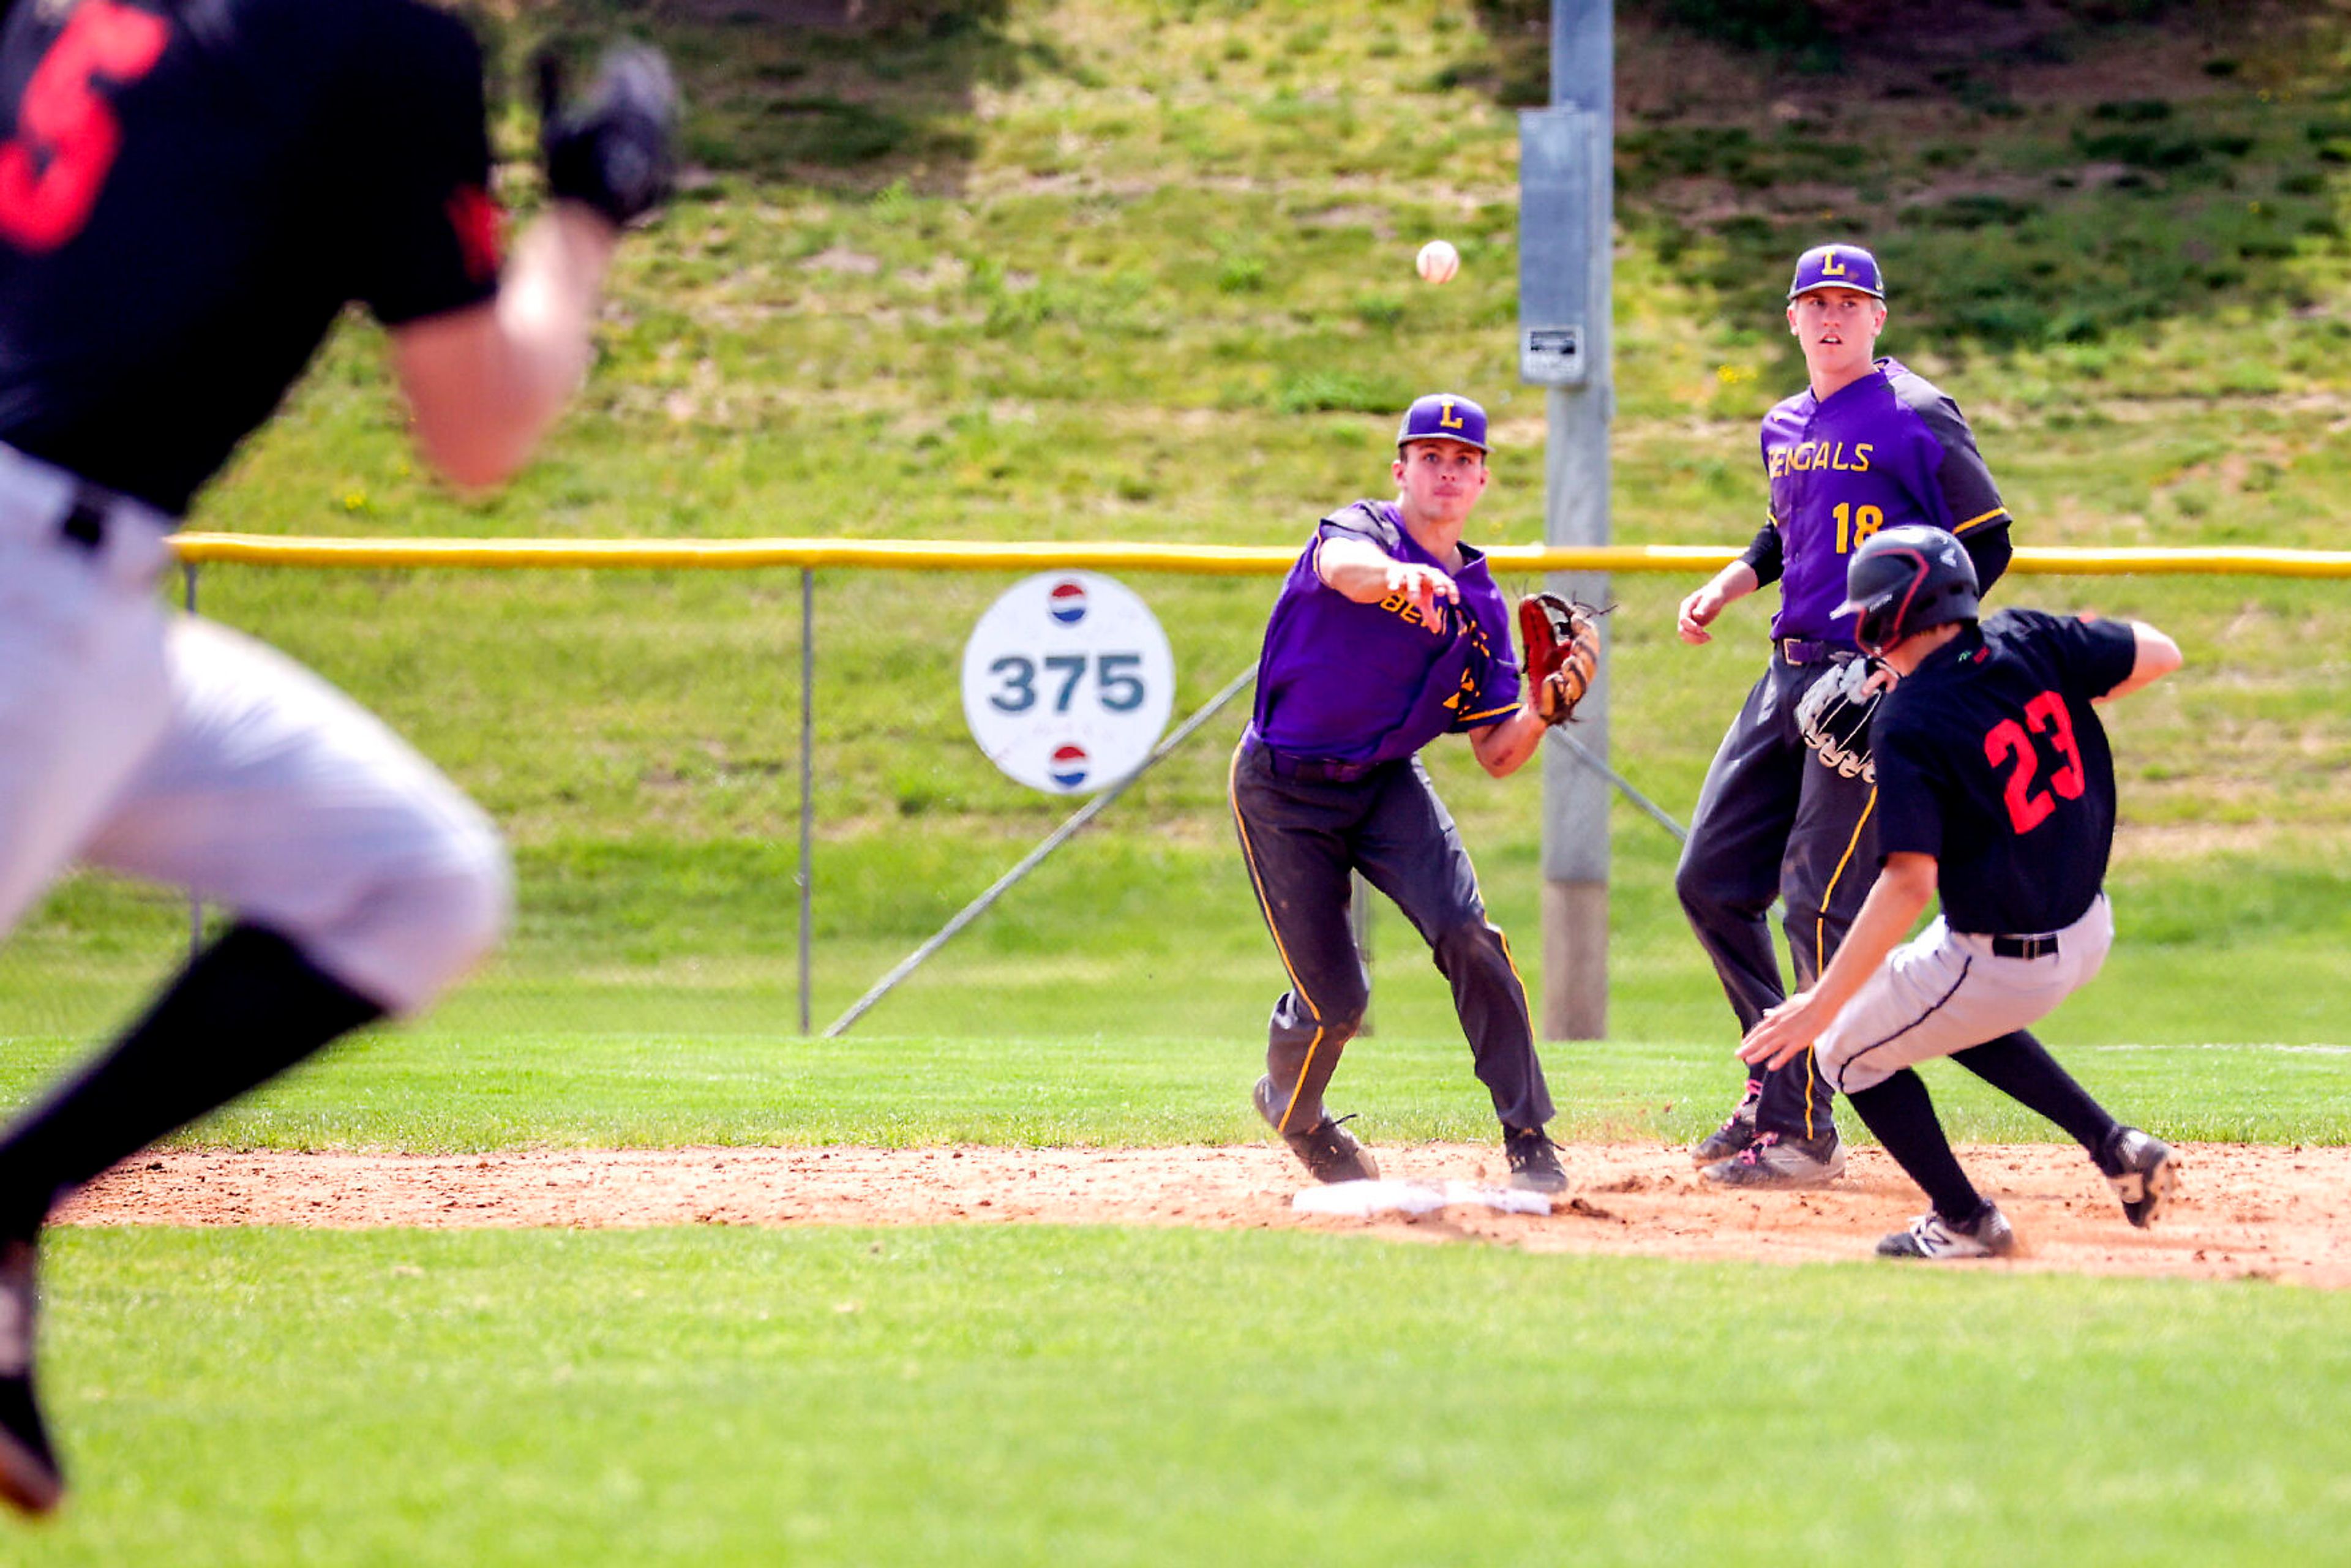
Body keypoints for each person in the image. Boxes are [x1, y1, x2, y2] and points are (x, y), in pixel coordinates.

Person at [0, 1, 675, 1514]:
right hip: (31, 592)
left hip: (84, 604)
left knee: (416, 878)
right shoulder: (375, 36)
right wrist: (585, 220)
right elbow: (480, 429)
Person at [1739, 525, 2183, 1259]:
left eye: (1869, 620)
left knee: (1846, 1050)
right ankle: (2117, 1146)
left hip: (2003, 957)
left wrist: (1817, 1006)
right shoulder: (2030, 637)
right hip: (2087, 925)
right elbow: (2161, 653)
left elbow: (1909, 882)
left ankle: (1964, 1218)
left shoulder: (1911, 722)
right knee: (1924, 999)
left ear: (1889, 616)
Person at [1673, 243, 2017, 1190]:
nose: (1831, 316)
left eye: (1850, 302)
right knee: (1708, 881)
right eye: (1814, 303)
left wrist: (1912, 662)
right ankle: (1771, 1075)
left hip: (1874, 684)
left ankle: (1804, 1127)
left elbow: (1985, 544)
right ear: (1791, 320)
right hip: (1787, 674)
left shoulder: (1917, 414)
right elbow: (1791, 528)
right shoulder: (1783, 422)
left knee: (1819, 901)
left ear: (1879, 318)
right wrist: (1732, 581)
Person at [1231, 393, 1567, 1195]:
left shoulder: (1482, 605)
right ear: (1401, 472)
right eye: (1430, 458)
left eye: (1463, 461)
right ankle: (1296, 1111)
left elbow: (1496, 753)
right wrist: (1399, 576)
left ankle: (1528, 1135)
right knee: (1337, 1001)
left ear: (1482, 480)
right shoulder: (1361, 533)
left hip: (1385, 785)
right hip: (1284, 789)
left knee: (1466, 932)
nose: (1446, 473)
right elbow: (1344, 572)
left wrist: (1546, 709)